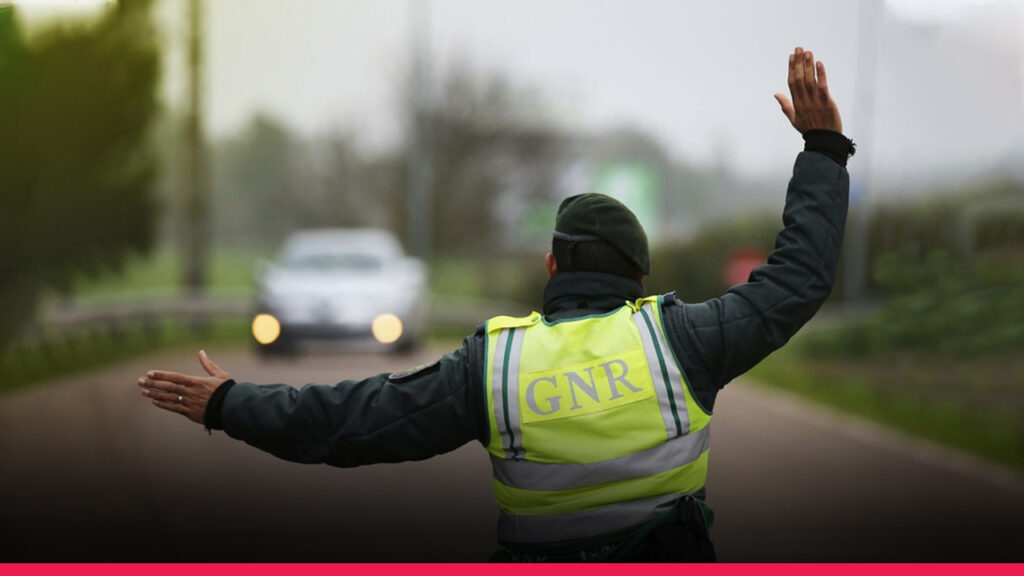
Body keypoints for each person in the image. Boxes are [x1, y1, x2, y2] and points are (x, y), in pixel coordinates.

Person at [137, 46, 854, 562]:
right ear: (638, 278)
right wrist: (821, 149)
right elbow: (797, 281)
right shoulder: (682, 341)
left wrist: (231, 403)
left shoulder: (495, 366)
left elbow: (348, 424)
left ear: (551, 265)